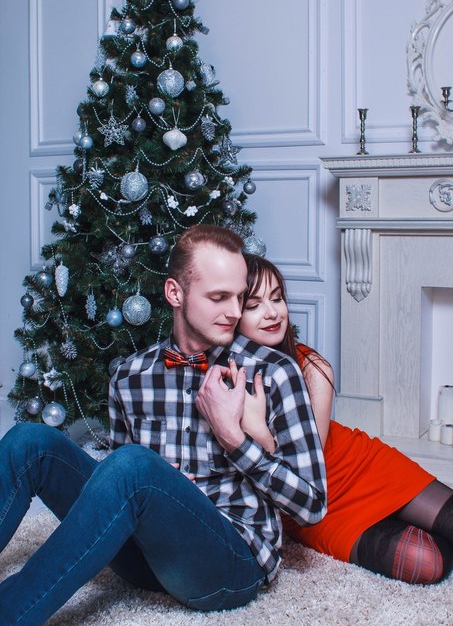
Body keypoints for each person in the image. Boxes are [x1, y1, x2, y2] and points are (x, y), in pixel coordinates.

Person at [0, 225, 326, 625]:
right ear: (175, 293)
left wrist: (235, 440)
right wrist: (160, 485)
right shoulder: (129, 375)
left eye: (240, 297)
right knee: (29, 441)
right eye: (218, 297)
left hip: (232, 564)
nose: (235, 312)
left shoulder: (273, 372)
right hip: (145, 555)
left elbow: (313, 505)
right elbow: (111, 482)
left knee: (133, 465)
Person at [236, 253, 453, 585]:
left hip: (358, 466)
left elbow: (306, 464)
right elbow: (294, 487)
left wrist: (258, 434)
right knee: (426, 563)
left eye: (277, 298)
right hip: (315, 507)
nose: (272, 312)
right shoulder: (222, 377)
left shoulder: (313, 369)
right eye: (254, 305)